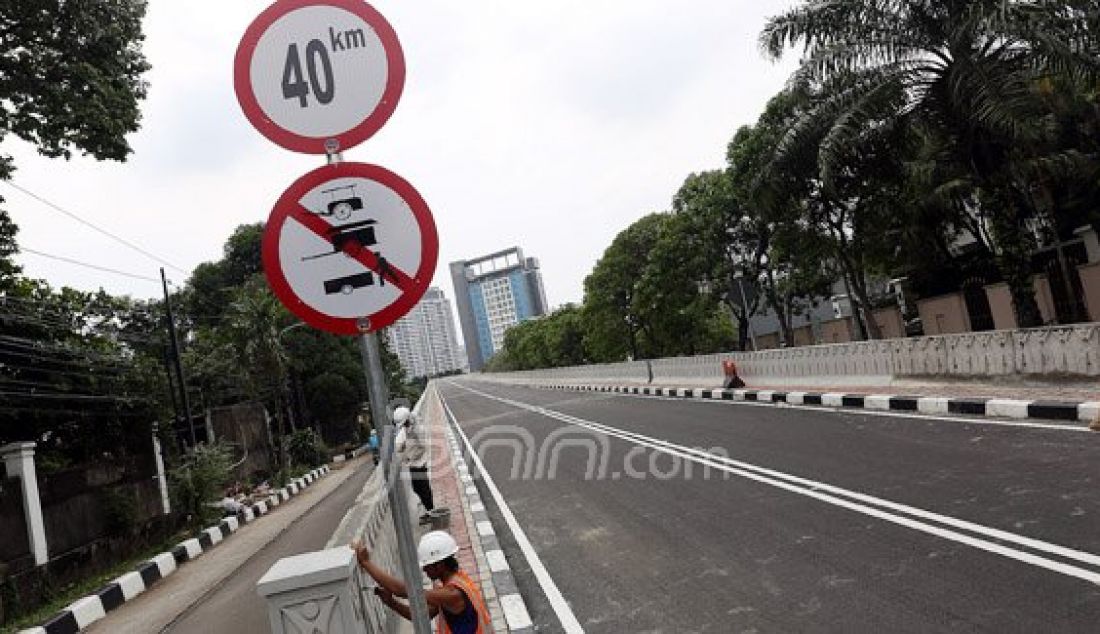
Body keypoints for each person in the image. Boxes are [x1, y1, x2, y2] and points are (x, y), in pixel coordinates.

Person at [352, 531, 491, 634]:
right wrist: (391, 603)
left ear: (440, 565)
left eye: (427, 565)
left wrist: (366, 563)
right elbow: (421, 615)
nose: (424, 569)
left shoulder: (452, 594)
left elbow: (404, 591)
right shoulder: (455, 582)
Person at [394, 405, 434, 518]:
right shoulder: (409, 425)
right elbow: (408, 440)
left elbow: (423, 446)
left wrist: (411, 457)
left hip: (419, 462)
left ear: (407, 418)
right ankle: (428, 508)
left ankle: (431, 511)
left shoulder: (418, 428)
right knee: (417, 488)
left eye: (404, 423)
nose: (404, 426)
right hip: (413, 463)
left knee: (423, 487)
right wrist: (402, 447)